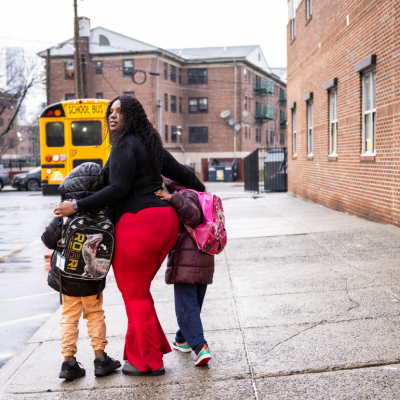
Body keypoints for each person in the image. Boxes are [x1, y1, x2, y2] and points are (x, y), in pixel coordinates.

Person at [54, 95, 205, 376]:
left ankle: (149, 362)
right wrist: (206, 195)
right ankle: (141, 353)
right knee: (140, 293)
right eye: (110, 111)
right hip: (165, 223)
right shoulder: (150, 144)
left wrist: (75, 205)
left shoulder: (125, 144)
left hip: (139, 225)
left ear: (132, 116)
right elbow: (183, 172)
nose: (113, 116)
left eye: (119, 112)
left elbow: (118, 189)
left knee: (135, 295)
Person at [42, 163, 121, 380]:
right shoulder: (106, 210)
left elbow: (48, 240)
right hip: (93, 278)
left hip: (67, 277)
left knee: (69, 317)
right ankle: (100, 359)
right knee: (95, 315)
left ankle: (68, 363)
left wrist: (58, 218)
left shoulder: (66, 211)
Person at [155, 167, 214, 366]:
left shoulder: (185, 195)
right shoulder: (198, 194)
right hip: (203, 259)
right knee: (192, 307)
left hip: (185, 262)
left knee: (185, 309)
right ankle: (182, 340)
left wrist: (173, 198)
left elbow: (194, 217)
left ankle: (200, 347)